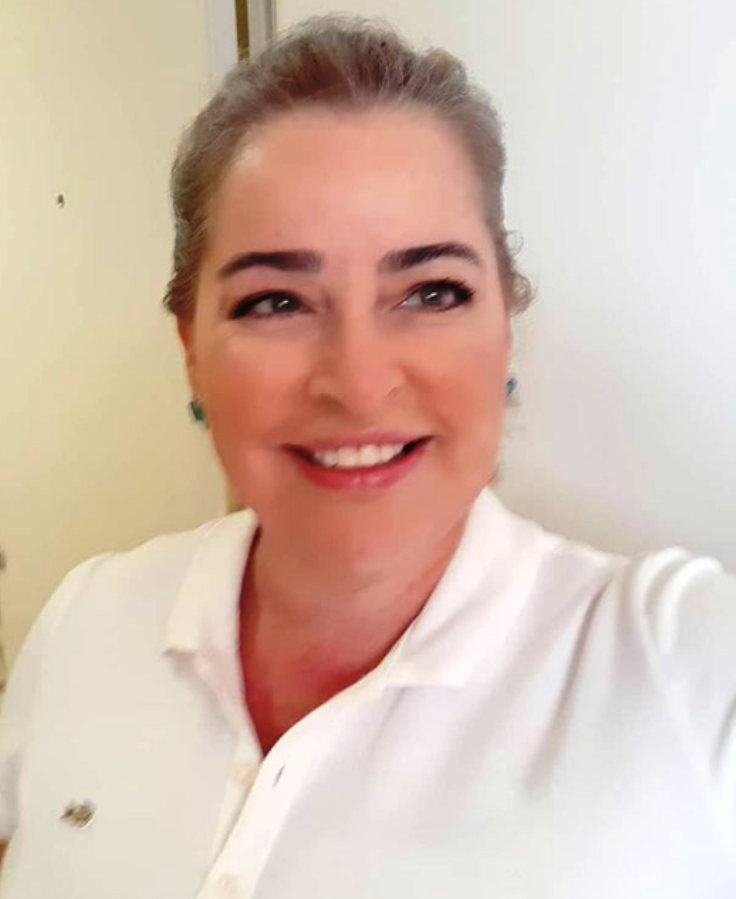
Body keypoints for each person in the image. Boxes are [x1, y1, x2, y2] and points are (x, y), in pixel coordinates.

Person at [0, 15, 734, 899]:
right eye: (276, 301)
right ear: (190, 348)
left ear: (507, 328)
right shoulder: (85, 617)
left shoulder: (681, 664)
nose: (357, 383)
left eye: (432, 291)